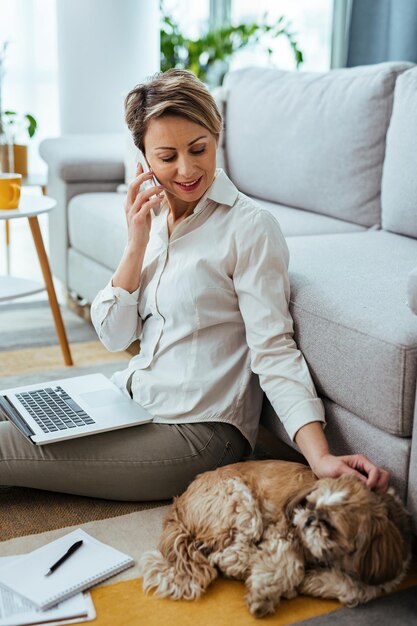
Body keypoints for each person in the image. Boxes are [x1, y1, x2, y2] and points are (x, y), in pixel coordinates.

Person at [0, 69, 389, 501]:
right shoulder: (153, 220)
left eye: (198, 149)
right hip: (131, 397)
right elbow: (114, 337)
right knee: (8, 404)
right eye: (167, 157)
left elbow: (274, 350)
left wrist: (320, 456)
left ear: (217, 136)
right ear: (143, 159)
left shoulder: (250, 228)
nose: (186, 170)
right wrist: (135, 243)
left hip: (198, 435)